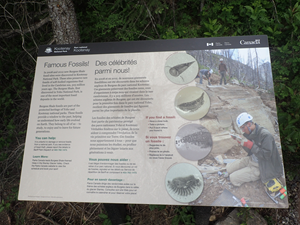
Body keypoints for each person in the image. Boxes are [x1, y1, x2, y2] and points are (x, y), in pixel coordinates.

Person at [226, 112, 284, 190]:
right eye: (241, 128)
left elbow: (266, 156)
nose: (243, 130)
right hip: (252, 159)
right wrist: (241, 142)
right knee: (228, 168)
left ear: (249, 124)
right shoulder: (251, 133)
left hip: (262, 166)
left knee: (233, 178)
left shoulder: (265, 135)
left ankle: (254, 174)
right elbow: (250, 150)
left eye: (243, 128)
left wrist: (251, 145)